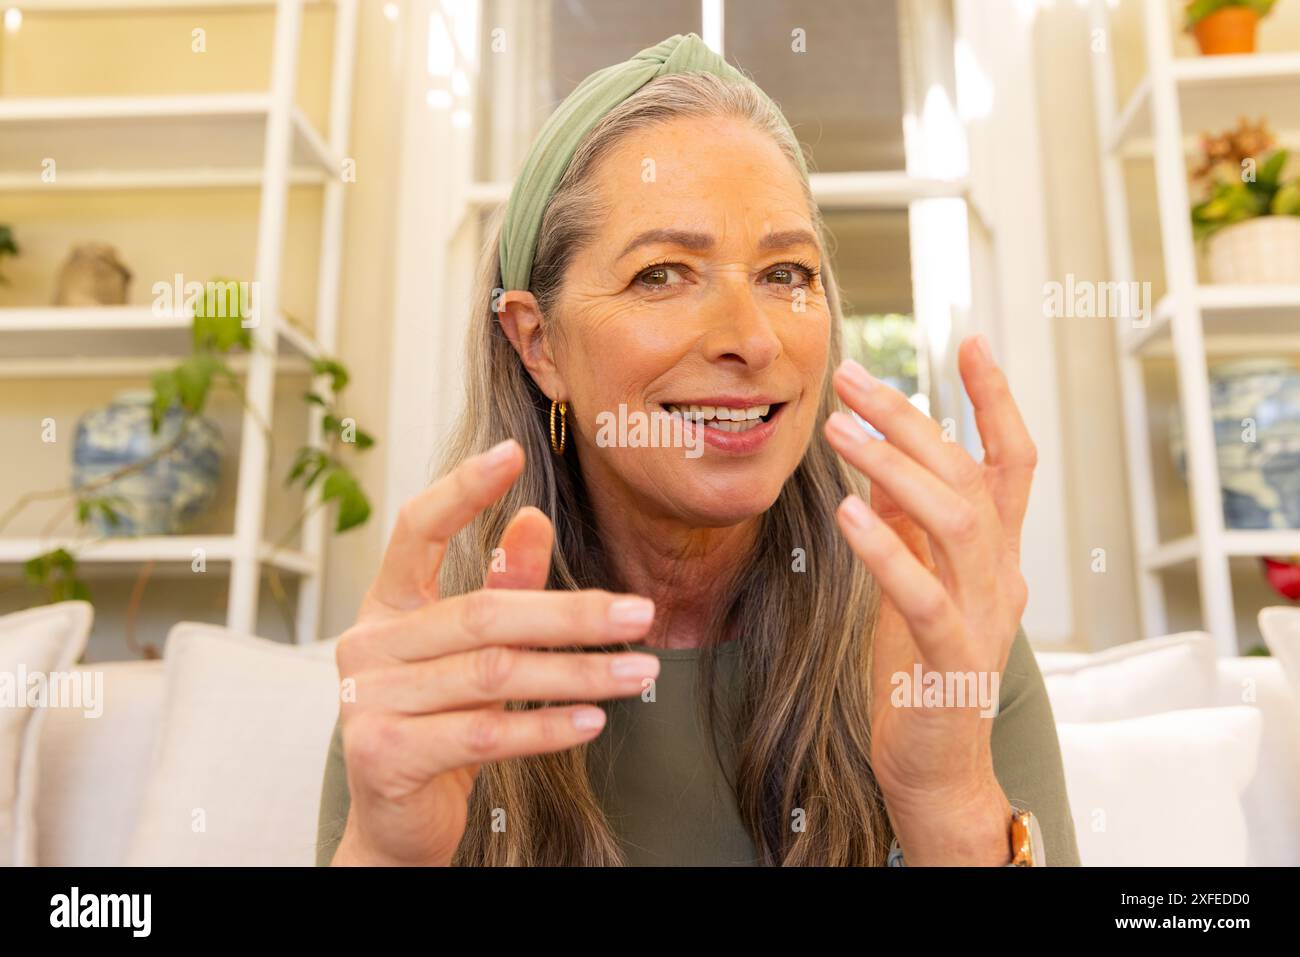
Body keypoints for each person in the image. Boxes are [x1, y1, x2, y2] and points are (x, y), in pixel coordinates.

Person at [316, 33, 1079, 867]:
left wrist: (947, 797)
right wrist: (387, 854)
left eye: (787, 273)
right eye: (662, 273)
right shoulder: (438, 668)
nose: (751, 340)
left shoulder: (936, 628)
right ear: (538, 345)